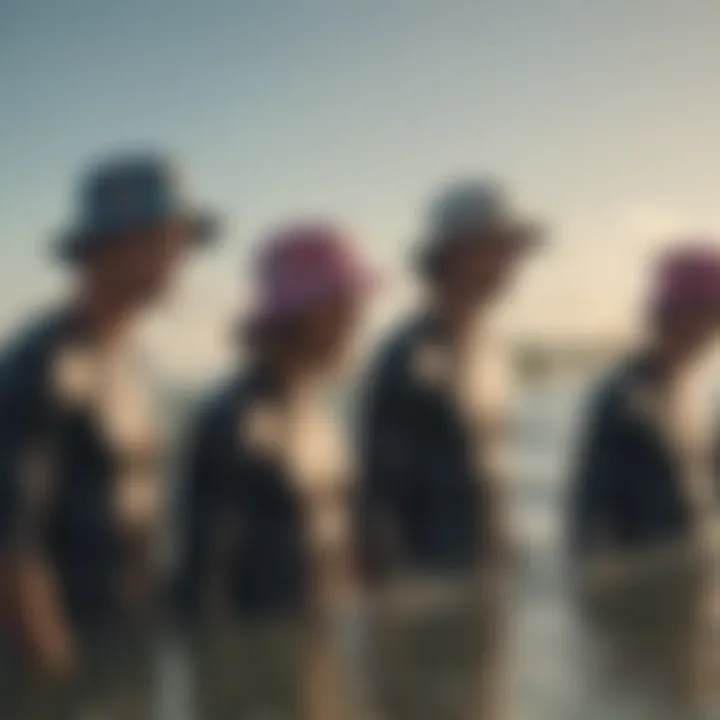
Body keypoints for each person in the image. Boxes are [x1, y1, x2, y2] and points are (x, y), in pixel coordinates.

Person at [0, 152, 220, 718]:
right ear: (98, 252)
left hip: (128, 649)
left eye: (177, 241)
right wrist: (54, 684)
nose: (175, 259)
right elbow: (13, 544)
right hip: (64, 669)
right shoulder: (43, 363)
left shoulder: (134, 362)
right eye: (157, 240)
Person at [357, 179, 545, 720]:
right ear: (452, 257)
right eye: (497, 248)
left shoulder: (489, 350)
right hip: (427, 613)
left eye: (514, 250)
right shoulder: (408, 358)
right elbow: (376, 511)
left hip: (482, 596)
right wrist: (394, 647)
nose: (511, 263)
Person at [175, 221, 377, 720]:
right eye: (338, 306)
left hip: (318, 652)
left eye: (353, 306)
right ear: (293, 315)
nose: (354, 320)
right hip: (257, 681)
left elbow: (335, 548)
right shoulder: (233, 422)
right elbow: (205, 592)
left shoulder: (319, 411)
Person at [568, 245, 720, 715]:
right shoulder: (626, 402)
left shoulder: (682, 394)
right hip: (644, 621)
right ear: (673, 315)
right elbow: (589, 533)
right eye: (707, 314)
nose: (712, 331)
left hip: (682, 605)